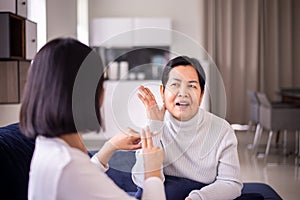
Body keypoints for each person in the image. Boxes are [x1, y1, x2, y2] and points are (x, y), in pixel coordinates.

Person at [19, 38, 165, 200]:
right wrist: (153, 172)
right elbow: (79, 178)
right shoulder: (68, 166)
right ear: (86, 93)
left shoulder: (49, 148)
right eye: (101, 82)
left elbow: (83, 187)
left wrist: (110, 146)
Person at [132, 56, 243, 200]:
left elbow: (231, 183)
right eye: (175, 85)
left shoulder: (221, 129)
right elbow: (143, 183)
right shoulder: (153, 125)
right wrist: (155, 126)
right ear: (162, 92)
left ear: (201, 95)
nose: (183, 93)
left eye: (192, 86)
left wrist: (197, 198)